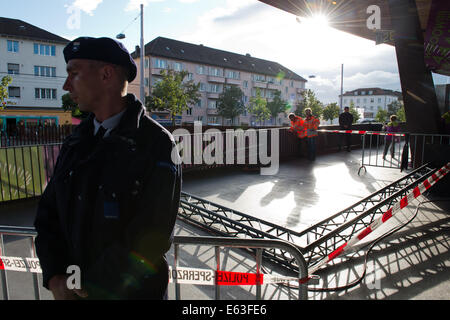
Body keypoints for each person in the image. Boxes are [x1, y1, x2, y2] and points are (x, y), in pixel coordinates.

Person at [34, 37, 182, 300]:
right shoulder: (74, 143)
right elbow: (48, 216)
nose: (67, 85)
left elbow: (152, 236)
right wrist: (56, 277)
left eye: (74, 73)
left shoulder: (156, 144)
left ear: (106, 74)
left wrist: (91, 288)